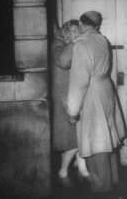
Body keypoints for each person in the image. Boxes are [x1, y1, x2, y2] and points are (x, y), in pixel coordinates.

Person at [66, 11, 127, 197]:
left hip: (92, 92)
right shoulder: (102, 40)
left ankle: (102, 187)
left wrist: (72, 110)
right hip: (106, 89)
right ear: (97, 25)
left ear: (82, 25)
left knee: (96, 140)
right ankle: (113, 179)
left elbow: (79, 81)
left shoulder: (82, 44)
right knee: (107, 135)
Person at [51, 19, 89, 186]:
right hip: (64, 97)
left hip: (74, 94)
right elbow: (64, 62)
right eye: (71, 32)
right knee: (72, 138)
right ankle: (63, 171)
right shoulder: (58, 46)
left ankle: (81, 167)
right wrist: (76, 42)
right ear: (65, 32)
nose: (74, 35)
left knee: (76, 135)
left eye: (77, 32)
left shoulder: (72, 46)